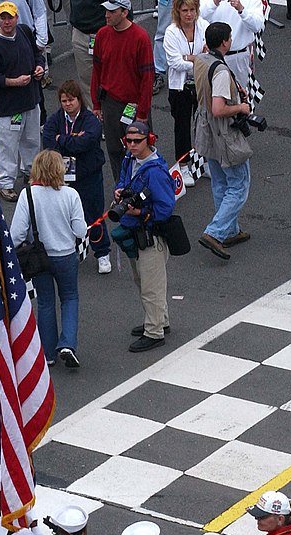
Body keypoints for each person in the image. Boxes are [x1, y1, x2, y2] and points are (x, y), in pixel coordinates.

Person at [11, 150, 88, 366]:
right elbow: (80, 230)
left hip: (39, 257)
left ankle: (48, 353)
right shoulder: (71, 195)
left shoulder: (28, 195)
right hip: (65, 255)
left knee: (45, 302)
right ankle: (68, 344)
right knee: (70, 298)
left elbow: (17, 233)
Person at [114, 122, 176, 354]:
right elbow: (122, 181)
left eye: (136, 141)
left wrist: (140, 212)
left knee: (151, 286)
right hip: (135, 233)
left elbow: (166, 207)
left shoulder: (156, 173)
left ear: (149, 140)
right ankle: (160, 319)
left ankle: (154, 331)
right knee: (143, 281)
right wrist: (119, 192)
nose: (131, 146)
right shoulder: (129, 161)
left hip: (151, 236)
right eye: (128, 141)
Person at [193, 22, 253, 260]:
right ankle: (215, 232)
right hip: (222, 131)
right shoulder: (219, 70)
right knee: (239, 185)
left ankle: (230, 230)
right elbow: (219, 108)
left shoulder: (201, 60)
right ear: (226, 42)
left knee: (219, 182)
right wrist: (241, 106)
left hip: (204, 128)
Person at [0, 2, 47, 202]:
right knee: (7, 147)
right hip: (7, 108)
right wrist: (13, 82)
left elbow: (38, 55)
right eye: (3, 18)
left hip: (30, 100)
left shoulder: (25, 32)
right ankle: (6, 183)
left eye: (10, 17)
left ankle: (31, 172)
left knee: (32, 141)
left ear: (17, 18)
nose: (7, 22)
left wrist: (39, 67)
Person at [92, 0, 156, 180]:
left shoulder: (140, 38)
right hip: (110, 103)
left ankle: (145, 187)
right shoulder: (102, 35)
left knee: (140, 149)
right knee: (114, 149)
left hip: (134, 105)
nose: (106, 15)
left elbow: (147, 78)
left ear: (124, 12)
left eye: (112, 11)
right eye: (106, 11)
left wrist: (142, 112)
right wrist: (96, 104)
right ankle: (121, 188)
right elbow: (96, 71)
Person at [164, 0, 208, 186]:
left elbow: (209, 54)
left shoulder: (204, 26)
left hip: (199, 86)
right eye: (185, 10)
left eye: (192, 10)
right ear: (178, 11)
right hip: (179, 89)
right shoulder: (171, 32)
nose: (189, 14)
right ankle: (183, 165)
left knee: (202, 125)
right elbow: (175, 63)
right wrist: (199, 59)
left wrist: (190, 58)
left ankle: (201, 164)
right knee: (182, 127)